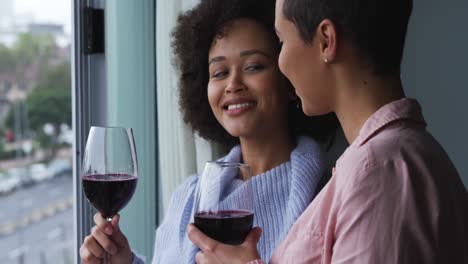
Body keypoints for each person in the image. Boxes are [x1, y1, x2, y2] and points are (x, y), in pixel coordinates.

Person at [187, 0, 468, 263]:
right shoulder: (396, 157)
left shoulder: (378, 171)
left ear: (326, 41)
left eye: (282, 41)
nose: (282, 64)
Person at [79, 0, 341, 263]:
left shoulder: (328, 195)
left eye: (253, 67)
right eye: (219, 72)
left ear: (290, 77)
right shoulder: (188, 197)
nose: (232, 84)